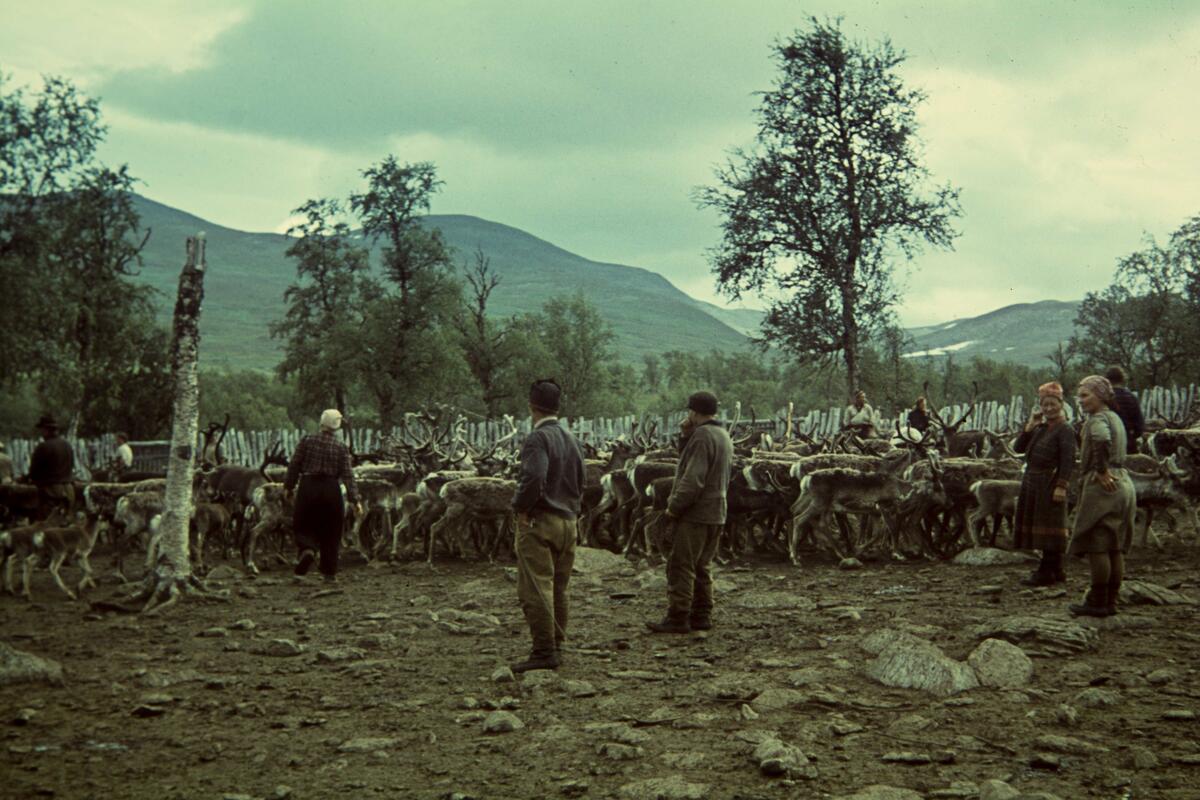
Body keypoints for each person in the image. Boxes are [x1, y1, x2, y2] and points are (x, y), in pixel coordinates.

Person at [510, 379, 585, 673]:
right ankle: (557, 644)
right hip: (569, 521)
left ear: (532, 406)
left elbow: (534, 477)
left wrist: (521, 507)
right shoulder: (572, 438)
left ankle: (543, 651)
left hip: (540, 522)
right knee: (559, 588)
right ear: (557, 407)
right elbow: (582, 479)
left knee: (536, 588)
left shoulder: (537, 438)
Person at [646, 390, 733, 634]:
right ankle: (701, 615)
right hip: (717, 511)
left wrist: (673, 509)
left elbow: (692, 479)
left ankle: (678, 616)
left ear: (693, 412)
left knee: (681, 564)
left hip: (696, 513)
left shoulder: (702, 436)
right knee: (703, 565)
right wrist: (686, 436)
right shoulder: (722, 434)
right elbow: (694, 462)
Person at [1066, 375, 1136, 617]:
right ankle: (1111, 600)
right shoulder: (1115, 417)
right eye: (1079, 396)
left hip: (1103, 486)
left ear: (1101, 395)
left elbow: (1101, 439)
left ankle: (1097, 601)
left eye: (1085, 395)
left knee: (1098, 545)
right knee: (1114, 546)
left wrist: (1101, 470)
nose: (1081, 400)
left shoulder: (1097, 420)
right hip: (1123, 481)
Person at [283, 409, 361, 582]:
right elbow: (348, 475)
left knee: (303, 523)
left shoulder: (307, 440)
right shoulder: (341, 447)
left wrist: (288, 486)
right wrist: (355, 499)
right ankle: (329, 573)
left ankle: (307, 549)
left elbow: (294, 464)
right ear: (337, 426)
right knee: (332, 529)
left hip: (308, 486)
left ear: (321, 422)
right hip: (331, 488)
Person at [1012, 382, 1077, 586]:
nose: (1049, 409)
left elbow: (1068, 460)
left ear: (1061, 404)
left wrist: (1061, 485)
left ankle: (1046, 571)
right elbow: (1018, 448)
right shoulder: (1040, 428)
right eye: (1045, 405)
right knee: (1043, 525)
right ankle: (1056, 570)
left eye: (1053, 404)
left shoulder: (1065, 429)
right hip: (1033, 481)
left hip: (1049, 482)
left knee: (1050, 526)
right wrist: (1030, 426)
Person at [28, 414, 75, 520]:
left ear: (46, 430)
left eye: (42, 430)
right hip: (69, 490)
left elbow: (34, 472)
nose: (41, 433)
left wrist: (28, 479)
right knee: (66, 522)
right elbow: (71, 466)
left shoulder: (43, 447)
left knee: (47, 524)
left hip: (51, 492)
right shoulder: (67, 445)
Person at [1105, 367, 1145, 453]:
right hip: (1128, 443)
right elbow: (1139, 426)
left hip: (1109, 444)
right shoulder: (1132, 397)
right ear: (1122, 379)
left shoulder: (1105, 398)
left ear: (1107, 380)